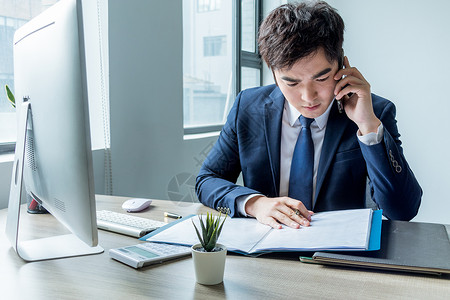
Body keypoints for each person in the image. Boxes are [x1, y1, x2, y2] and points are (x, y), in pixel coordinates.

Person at [195, 1, 422, 229]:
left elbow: (402, 211)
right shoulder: (248, 106)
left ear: (342, 64)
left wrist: (368, 126)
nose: (308, 97)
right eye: (291, 82)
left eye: (321, 79)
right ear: (273, 73)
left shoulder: (375, 112)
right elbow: (207, 180)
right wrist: (255, 204)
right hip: (265, 251)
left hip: (336, 255)